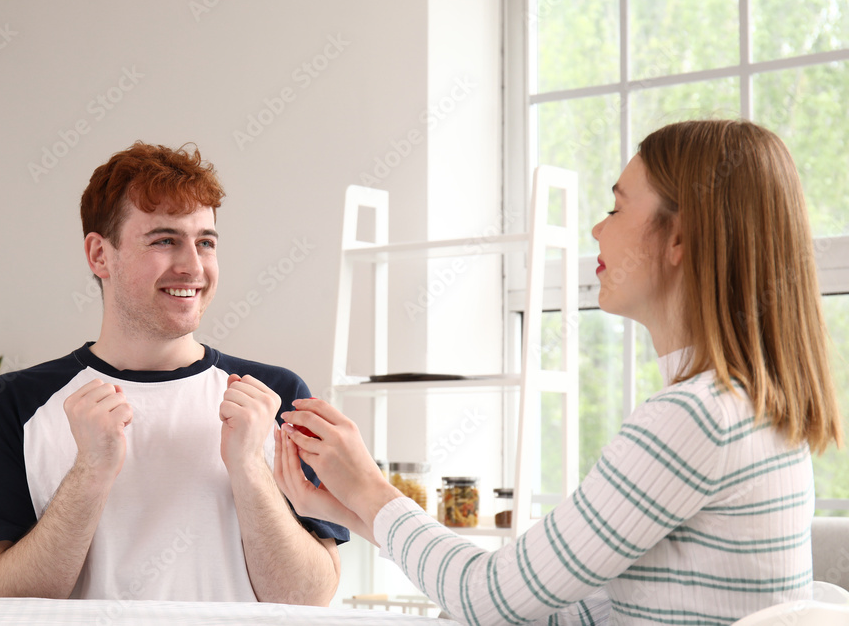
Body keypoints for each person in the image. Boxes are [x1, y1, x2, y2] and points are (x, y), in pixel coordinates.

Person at [274, 120, 844, 624]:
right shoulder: (746, 409)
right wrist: (352, 510)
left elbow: (488, 598)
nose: (598, 230)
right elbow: (579, 609)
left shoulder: (694, 418)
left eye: (618, 208)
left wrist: (372, 489)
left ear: (679, 237)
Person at [0, 142, 348, 604]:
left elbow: (310, 599)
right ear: (100, 255)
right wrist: (90, 471)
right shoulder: (13, 403)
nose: (193, 267)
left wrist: (248, 467)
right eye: (164, 240)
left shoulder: (276, 396)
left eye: (205, 242)